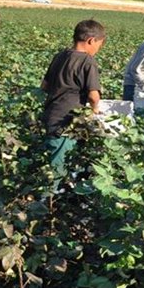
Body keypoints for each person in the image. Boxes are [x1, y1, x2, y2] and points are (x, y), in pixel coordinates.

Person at [41, 19, 106, 179]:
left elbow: (44, 86)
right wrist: (95, 110)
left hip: (50, 115)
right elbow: (93, 95)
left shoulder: (59, 56)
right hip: (66, 122)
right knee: (57, 168)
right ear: (91, 41)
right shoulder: (87, 61)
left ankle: (57, 194)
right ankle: (47, 200)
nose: (98, 49)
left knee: (54, 159)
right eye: (100, 45)